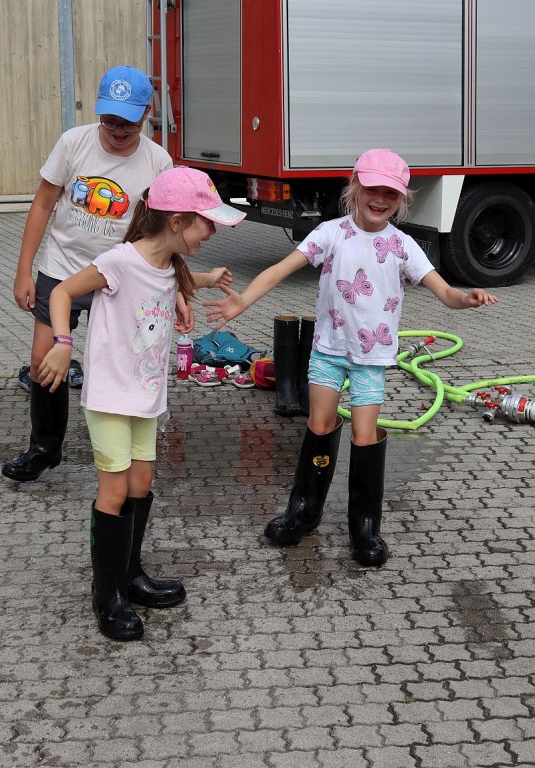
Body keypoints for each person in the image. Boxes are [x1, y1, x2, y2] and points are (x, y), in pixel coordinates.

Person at [205, 148, 499, 567]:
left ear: (402, 200)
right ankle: (304, 509)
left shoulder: (402, 245)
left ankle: (365, 526)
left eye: (390, 195)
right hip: (328, 350)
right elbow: (279, 270)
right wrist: (242, 303)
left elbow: (445, 292)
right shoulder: (330, 233)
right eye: (372, 189)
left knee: (364, 435)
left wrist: (465, 298)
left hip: (371, 357)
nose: (380, 200)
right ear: (355, 187)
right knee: (320, 425)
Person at [37, 166, 246, 640]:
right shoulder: (118, 260)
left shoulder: (170, 264)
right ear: (176, 222)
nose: (211, 231)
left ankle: (130, 575)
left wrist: (191, 294)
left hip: (146, 394)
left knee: (142, 482)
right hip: (111, 394)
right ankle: (105, 593)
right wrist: (64, 341)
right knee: (112, 492)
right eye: (206, 222)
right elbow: (63, 292)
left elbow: (174, 281)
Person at [3, 65, 207, 482]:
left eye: (127, 121)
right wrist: (24, 271)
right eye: (109, 119)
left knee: (126, 358)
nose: (117, 129)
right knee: (43, 358)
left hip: (125, 275)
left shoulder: (157, 161)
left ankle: (131, 446)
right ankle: (44, 446)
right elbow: (42, 204)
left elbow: (167, 234)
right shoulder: (72, 143)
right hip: (62, 268)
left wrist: (179, 291)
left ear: (146, 113)